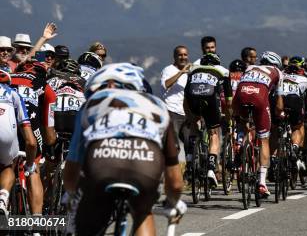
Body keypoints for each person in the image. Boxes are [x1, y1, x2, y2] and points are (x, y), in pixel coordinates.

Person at [63, 63, 186, 235]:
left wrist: (73, 194)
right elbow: (175, 181)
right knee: (143, 211)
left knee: (89, 219)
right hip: (145, 163)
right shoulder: (157, 104)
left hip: (102, 162)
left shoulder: (91, 104)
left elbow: (71, 172)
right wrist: (173, 202)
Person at [233, 51, 283, 197]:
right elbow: (279, 104)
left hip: (241, 94)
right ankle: (262, 183)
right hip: (259, 97)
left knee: (242, 121)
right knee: (264, 140)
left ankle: (239, 143)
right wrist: (279, 114)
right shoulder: (277, 72)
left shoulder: (249, 67)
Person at [10, 60, 57, 218]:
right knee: (33, 166)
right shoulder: (44, 85)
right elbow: (49, 133)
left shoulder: (8, 78)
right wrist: (50, 144)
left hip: (6, 126)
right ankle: (37, 224)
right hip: (29, 130)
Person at [183, 53, 233, 188]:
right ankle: (211, 168)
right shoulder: (223, 71)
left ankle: (190, 157)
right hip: (211, 98)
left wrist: (190, 118)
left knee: (194, 123)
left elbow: (185, 96)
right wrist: (229, 120)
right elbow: (229, 102)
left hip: (192, 98)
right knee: (214, 134)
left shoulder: (193, 69)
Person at [0, 69, 38, 218]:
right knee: (8, 165)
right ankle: (3, 197)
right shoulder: (13, 93)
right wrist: (29, 165)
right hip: (5, 136)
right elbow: (31, 142)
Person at [278, 56, 307, 176]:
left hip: (280, 103)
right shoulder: (306, 76)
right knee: (299, 128)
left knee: (277, 130)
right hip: (298, 105)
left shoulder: (281, 73)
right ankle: (295, 149)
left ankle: (277, 161)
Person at [160, 46, 191, 156]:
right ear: (175, 57)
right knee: (173, 146)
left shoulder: (189, 72)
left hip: (186, 113)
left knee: (190, 143)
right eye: (180, 55)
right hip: (171, 111)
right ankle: (171, 170)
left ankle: (190, 170)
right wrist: (181, 72)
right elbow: (166, 84)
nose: (183, 57)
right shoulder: (168, 70)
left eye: (185, 55)